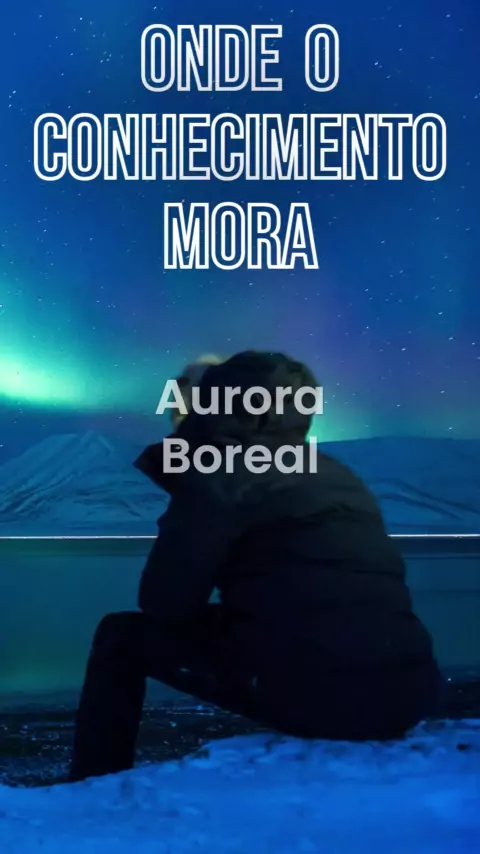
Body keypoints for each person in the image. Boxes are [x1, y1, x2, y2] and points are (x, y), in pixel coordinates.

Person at [68, 351, 441, 782]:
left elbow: (164, 604)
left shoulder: (222, 478)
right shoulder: (334, 473)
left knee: (120, 636)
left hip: (329, 702)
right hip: (407, 697)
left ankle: (94, 779)